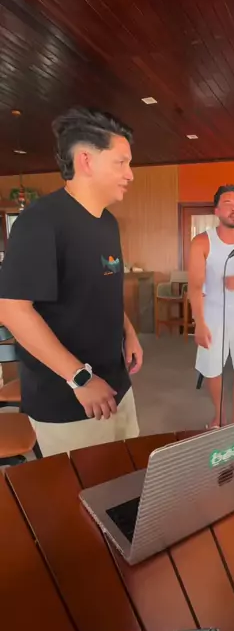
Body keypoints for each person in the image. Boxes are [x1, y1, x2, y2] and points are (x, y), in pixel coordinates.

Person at [0, 107, 143, 457]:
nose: (130, 174)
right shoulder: (40, 222)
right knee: (87, 487)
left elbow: (101, 289)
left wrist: (129, 331)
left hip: (115, 382)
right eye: (121, 163)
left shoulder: (107, 222)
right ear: (86, 161)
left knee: (127, 473)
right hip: (69, 396)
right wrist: (80, 378)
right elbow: (12, 310)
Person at [188, 185, 234, 427]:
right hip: (212, 316)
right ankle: (219, 416)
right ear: (217, 211)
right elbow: (195, 286)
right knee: (212, 369)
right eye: (228, 204)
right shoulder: (202, 242)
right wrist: (199, 323)